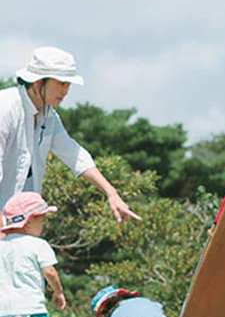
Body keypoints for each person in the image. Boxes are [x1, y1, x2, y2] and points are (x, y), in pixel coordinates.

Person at [0, 46, 140, 221]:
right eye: (60, 83)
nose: (65, 91)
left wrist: (112, 193)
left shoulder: (49, 117)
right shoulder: (5, 108)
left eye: (68, 84)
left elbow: (75, 155)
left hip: (21, 223)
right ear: (38, 82)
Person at [0, 191, 66, 317]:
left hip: (2, 311)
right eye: (42, 221)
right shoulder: (38, 244)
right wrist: (58, 292)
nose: (43, 226)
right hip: (30, 308)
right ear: (29, 221)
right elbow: (50, 272)